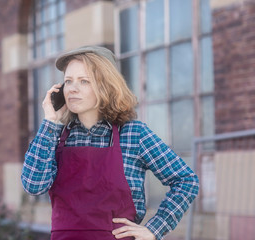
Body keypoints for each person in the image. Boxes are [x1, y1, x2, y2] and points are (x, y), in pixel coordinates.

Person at [21, 45, 199, 240]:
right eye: (68, 81)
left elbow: (186, 181)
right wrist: (50, 122)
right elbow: (33, 185)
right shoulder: (54, 136)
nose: (73, 88)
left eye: (84, 81)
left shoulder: (133, 134)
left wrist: (154, 229)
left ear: (106, 86)